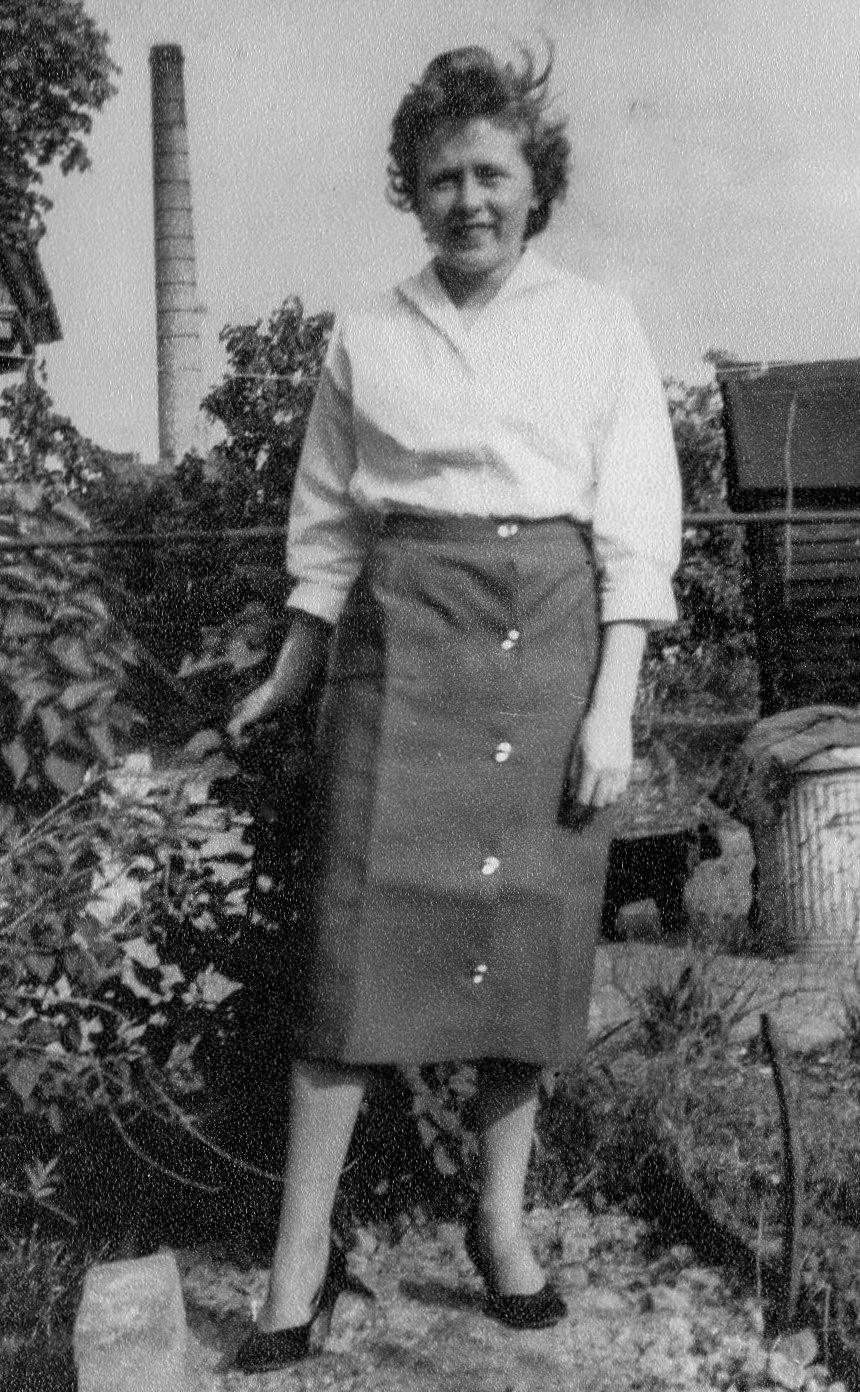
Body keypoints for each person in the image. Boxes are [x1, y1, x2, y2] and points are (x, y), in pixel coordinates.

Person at [227, 44, 681, 1375]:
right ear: (411, 195)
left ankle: (500, 1229)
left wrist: (612, 710)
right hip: (401, 641)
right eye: (441, 180)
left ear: (535, 184)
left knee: (524, 945)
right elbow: (323, 526)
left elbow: (637, 533)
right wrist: (295, 665)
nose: (468, 200)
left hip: (547, 643)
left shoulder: (599, 323)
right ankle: (297, 1260)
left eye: (491, 174)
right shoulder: (367, 334)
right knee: (350, 951)